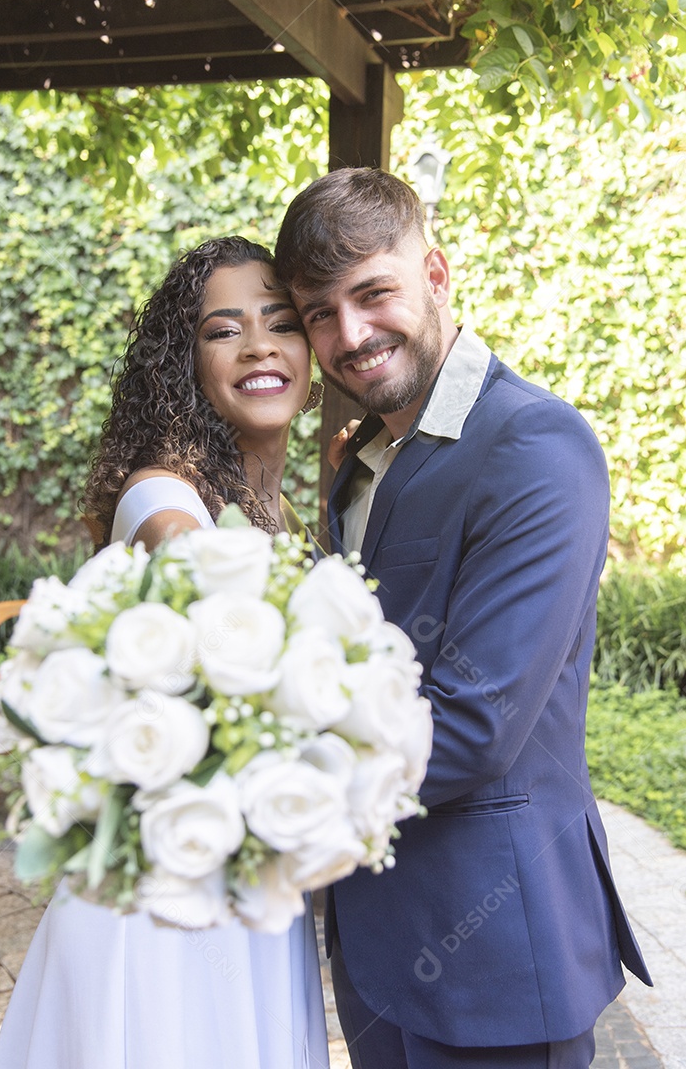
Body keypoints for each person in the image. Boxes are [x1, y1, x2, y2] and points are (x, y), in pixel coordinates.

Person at [274, 168, 652, 1069]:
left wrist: (262, 792)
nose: (350, 335)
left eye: (374, 294)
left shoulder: (534, 445)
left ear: (436, 275)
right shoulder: (363, 456)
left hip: (496, 956)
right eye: (319, 312)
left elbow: (475, 722)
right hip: (377, 946)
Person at [0, 237, 329, 1069]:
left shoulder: (281, 510)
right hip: (164, 907)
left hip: (246, 883)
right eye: (223, 330)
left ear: (310, 352)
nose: (258, 345)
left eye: (280, 322)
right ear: (185, 363)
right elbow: (201, 583)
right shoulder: (165, 496)